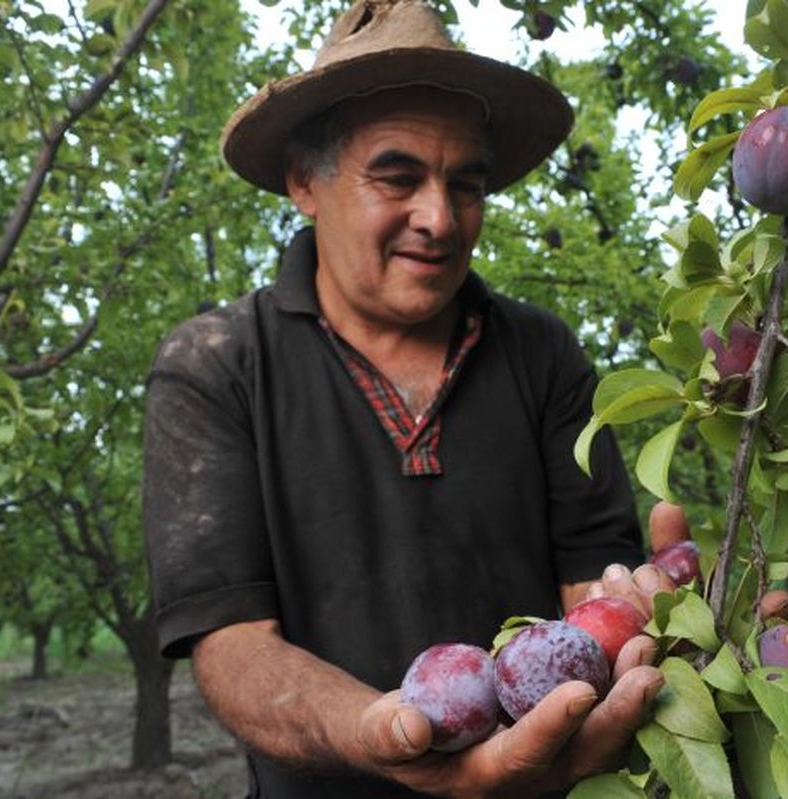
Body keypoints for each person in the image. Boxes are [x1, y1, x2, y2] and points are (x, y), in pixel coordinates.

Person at [143, 1, 674, 796]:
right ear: (303, 181)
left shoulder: (543, 353)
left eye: (466, 184)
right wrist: (376, 729)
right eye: (397, 177)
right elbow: (232, 643)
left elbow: (588, 589)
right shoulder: (219, 365)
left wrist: (648, 614)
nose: (439, 217)